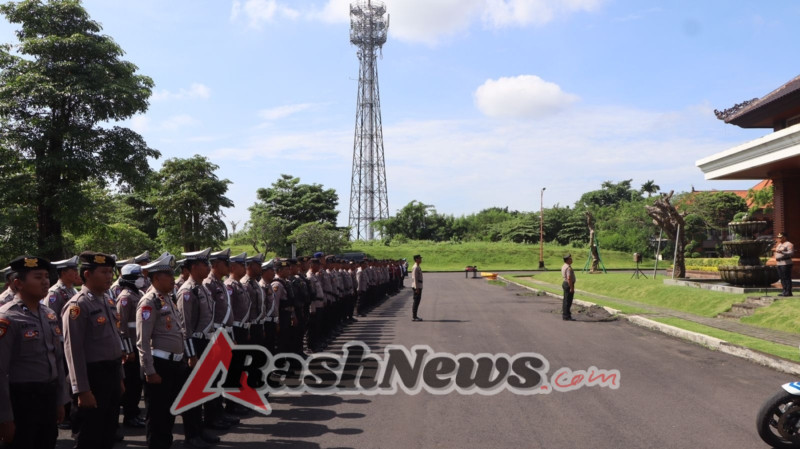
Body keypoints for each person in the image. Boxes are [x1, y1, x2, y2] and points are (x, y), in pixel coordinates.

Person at [0, 255, 70, 449]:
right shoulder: (7, 317)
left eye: (46, 276)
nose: (45, 282)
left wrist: (60, 400)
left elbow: (57, 360)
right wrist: (4, 417)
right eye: (38, 277)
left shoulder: (49, 314)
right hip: (21, 401)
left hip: (47, 398)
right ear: (18, 283)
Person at [62, 251, 124, 449]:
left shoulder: (107, 300)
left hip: (111, 374)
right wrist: (82, 390)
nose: (109, 276)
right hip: (92, 378)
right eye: (104, 272)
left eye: (110, 272)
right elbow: (73, 351)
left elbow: (115, 342)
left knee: (108, 432)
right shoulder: (78, 305)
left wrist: (120, 377)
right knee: (89, 435)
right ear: (87, 274)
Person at [136, 252, 198, 449]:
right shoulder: (149, 302)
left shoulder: (167, 299)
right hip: (159, 365)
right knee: (158, 416)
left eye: (173, 274)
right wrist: (149, 370)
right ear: (156, 278)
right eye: (168, 275)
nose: (173, 279)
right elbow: (143, 341)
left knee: (169, 413)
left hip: (174, 364)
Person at [175, 247, 226, 444]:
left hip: (205, 341)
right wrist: (191, 354)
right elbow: (185, 327)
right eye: (205, 264)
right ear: (195, 267)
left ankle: (200, 429)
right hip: (194, 345)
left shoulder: (202, 288)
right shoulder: (187, 291)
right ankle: (192, 435)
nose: (208, 268)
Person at [117, 264, 146, 429]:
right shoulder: (125, 297)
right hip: (131, 348)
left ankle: (134, 413)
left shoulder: (138, 294)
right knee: (131, 384)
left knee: (137, 383)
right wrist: (128, 350)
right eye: (137, 277)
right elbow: (121, 327)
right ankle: (129, 415)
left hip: (139, 344)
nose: (141, 279)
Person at [775, 232, 795, 297]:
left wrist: (782, 252)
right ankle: (784, 291)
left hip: (785, 263)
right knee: (782, 278)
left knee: (786, 277)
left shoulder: (789, 244)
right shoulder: (779, 244)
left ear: (785, 237)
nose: (779, 238)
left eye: (781, 237)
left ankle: (788, 292)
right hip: (779, 263)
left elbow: (791, 253)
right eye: (778, 237)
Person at [561, 254, 576, 321]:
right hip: (568, 284)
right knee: (568, 301)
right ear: (567, 260)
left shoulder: (564, 266)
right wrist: (571, 288)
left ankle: (566, 315)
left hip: (565, 283)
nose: (571, 259)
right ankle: (566, 316)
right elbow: (569, 278)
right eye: (570, 259)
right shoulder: (568, 268)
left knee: (565, 300)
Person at [411, 255, 423, 321]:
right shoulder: (415, 267)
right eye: (419, 258)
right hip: (417, 287)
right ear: (416, 259)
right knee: (416, 302)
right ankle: (414, 317)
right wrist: (416, 288)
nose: (421, 259)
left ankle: (415, 316)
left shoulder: (417, 266)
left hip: (419, 286)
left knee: (417, 301)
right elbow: (415, 278)